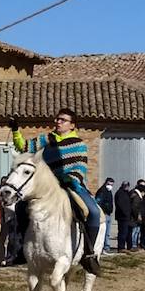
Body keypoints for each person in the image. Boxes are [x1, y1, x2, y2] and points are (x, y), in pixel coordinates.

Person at [11, 110, 102, 275]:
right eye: (57, 119)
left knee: (94, 212)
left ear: (72, 125)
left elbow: (80, 167)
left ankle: (88, 254)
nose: (58, 122)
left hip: (71, 185)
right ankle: (21, 249)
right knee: (20, 207)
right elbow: (23, 146)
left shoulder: (78, 144)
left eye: (63, 120)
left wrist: (71, 179)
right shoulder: (46, 140)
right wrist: (15, 130)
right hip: (48, 187)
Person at [95, 177, 115, 253]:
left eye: (112, 185)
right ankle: (103, 247)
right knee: (104, 232)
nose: (110, 186)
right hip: (104, 214)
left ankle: (106, 246)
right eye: (109, 184)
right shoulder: (102, 191)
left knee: (108, 233)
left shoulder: (109, 191)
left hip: (109, 214)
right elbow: (98, 202)